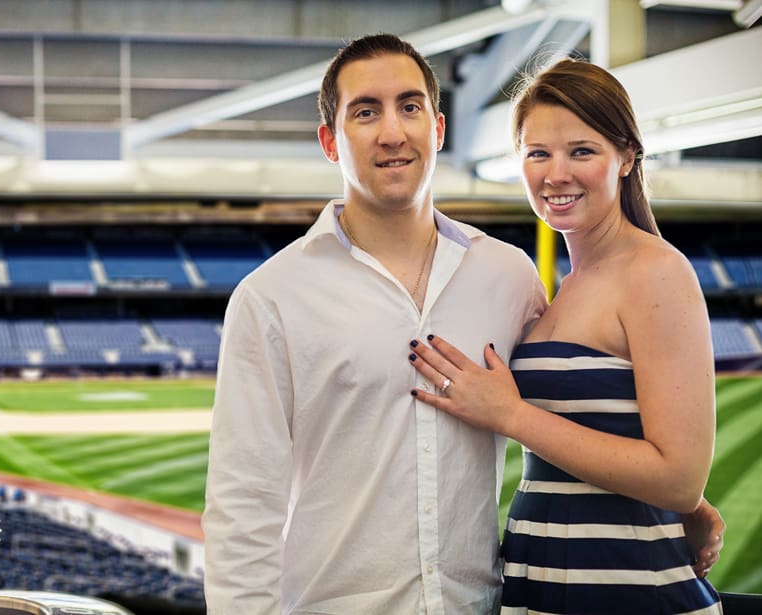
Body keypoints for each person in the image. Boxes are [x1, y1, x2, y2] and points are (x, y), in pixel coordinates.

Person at [203, 34, 722, 614]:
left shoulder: (507, 274)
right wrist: (687, 501)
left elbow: (597, 415)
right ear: (330, 141)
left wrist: (686, 501)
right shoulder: (271, 297)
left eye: (409, 106)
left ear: (439, 128)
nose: (393, 132)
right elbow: (242, 503)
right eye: (365, 112)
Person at [407, 57, 723, 614]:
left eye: (582, 150)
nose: (556, 174)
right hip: (544, 591)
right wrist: (694, 510)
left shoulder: (655, 271)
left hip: (633, 597)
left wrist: (511, 415)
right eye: (537, 153)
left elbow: (677, 478)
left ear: (627, 157)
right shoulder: (564, 288)